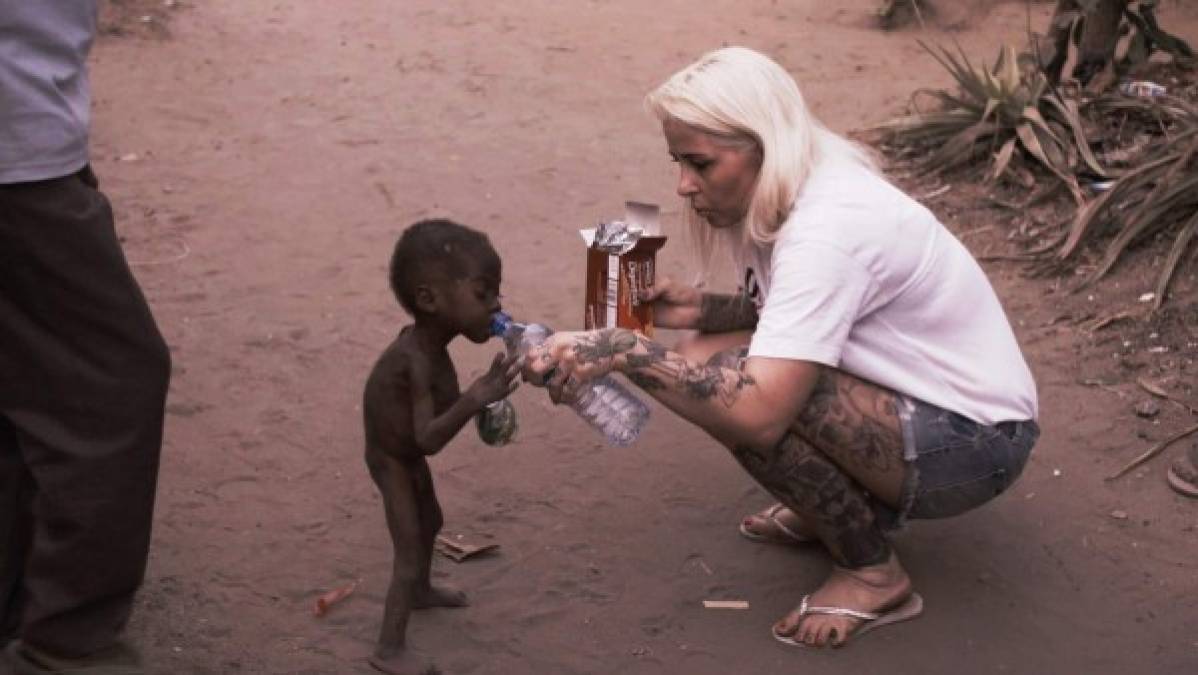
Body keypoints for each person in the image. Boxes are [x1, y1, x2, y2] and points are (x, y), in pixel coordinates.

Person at [523, 46, 1039, 649]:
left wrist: (623, 350)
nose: (683, 186)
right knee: (704, 344)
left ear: (763, 147)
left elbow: (761, 414)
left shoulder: (828, 229)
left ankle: (872, 572)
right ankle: (836, 503)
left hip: (977, 442)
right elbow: (794, 311)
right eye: (677, 162)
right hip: (923, 403)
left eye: (699, 164)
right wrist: (695, 307)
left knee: (727, 379)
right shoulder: (791, 186)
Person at [1, 2, 172, 673]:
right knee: (110, 385)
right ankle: (66, 645)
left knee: (28, 382)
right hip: (16, 153)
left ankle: (21, 606)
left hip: (27, 128)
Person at [363, 219, 520, 675]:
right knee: (409, 550)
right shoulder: (413, 358)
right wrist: (476, 398)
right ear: (429, 299)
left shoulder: (435, 347)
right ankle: (388, 650)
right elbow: (428, 439)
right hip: (392, 458)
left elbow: (444, 407)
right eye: (482, 293)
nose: (495, 307)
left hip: (406, 449)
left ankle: (421, 593)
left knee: (432, 519)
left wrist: (489, 404)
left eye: (496, 294)